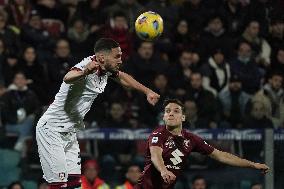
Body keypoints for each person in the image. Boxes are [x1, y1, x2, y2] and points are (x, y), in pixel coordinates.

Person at [35, 38, 160, 189]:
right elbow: (68, 78)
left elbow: (123, 78)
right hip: (51, 130)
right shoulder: (85, 66)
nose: (120, 60)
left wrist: (147, 91)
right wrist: (85, 71)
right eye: (117, 56)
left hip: (69, 132)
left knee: (74, 184)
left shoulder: (106, 68)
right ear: (101, 57)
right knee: (59, 185)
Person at [136, 99, 269, 189]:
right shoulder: (158, 134)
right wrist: (163, 171)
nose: (171, 114)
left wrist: (253, 164)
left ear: (183, 117)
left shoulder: (191, 139)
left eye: (176, 111)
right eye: (167, 111)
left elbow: (221, 155)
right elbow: (155, 155)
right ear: (164, 117)